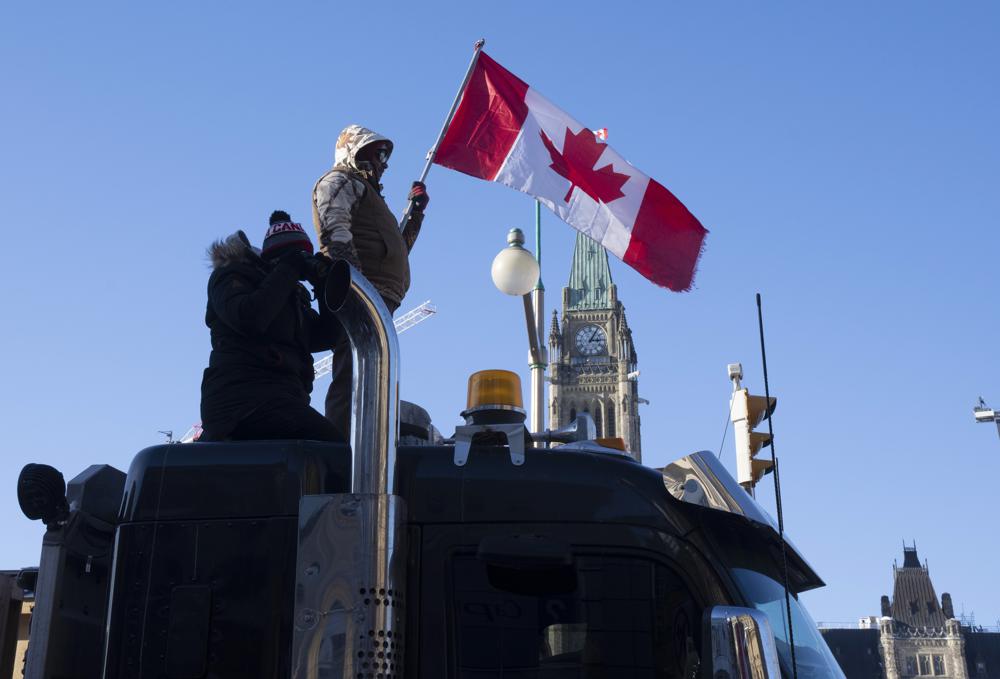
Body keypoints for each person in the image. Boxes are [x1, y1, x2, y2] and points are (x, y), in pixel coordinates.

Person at [312, 124, 429, 438]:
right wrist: (356, 290)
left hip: (379, 298)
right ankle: (340, 452)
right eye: (375, 153)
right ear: (353, 151)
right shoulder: (339, 181)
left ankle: (368, 443)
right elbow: (334, 233)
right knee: (351, 376)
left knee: (372, 377)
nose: (382, 162)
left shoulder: (373, 199)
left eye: (383, 155)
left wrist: (416, 213)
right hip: (362, 298)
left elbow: (396, 252)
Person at [199, 210, 342, 442]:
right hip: (240, 401)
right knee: (332, 447)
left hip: (282, 400)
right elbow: (249, 317)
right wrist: (289, 269)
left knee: (328, 450)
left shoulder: (290, 295)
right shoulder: (231, 274)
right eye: (293, 256)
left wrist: (325, 287)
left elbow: (327, 336)